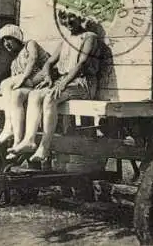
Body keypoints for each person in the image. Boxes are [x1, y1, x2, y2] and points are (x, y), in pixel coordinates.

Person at [7, 10, 101, 162]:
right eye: (64, 18)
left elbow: (81, 64)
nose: (68, 21)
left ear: (81, 18)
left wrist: (63, 83)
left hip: (83, 83)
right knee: (35, 94)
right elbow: (49, 63)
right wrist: (49, 77)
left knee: (51, 97)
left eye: (72, 17)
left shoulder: (89, 37)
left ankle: (44, 147)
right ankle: (29, 141)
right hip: (66, 81)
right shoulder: (66, 40)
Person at [0, 24, 51, 149]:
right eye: (4, 41)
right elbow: (10, 89)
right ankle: (17, 140)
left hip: (44, 81)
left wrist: (23, 77)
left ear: (17, 38)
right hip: (32, 87)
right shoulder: (14, 63)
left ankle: (8, 126)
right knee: (16, 94)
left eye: (9, 39)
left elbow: (33, 59)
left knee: (5, 83)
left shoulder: (30, 45)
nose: (6, 43)